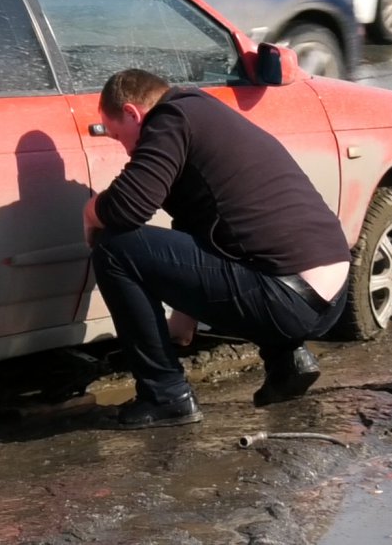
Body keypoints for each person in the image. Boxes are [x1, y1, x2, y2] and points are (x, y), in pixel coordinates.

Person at [83, 68, 351, 429]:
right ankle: (287, 360)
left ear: (133, 113)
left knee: (115, 247)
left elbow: (128, 208)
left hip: (287, 300)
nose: (127, 148)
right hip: (330, 297)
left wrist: (90, 211)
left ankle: (165, 396)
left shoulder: (170, 118)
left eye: (119, 136)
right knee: (246, 245)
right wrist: (184, 316)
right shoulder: (204, 114)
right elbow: (205, 231)